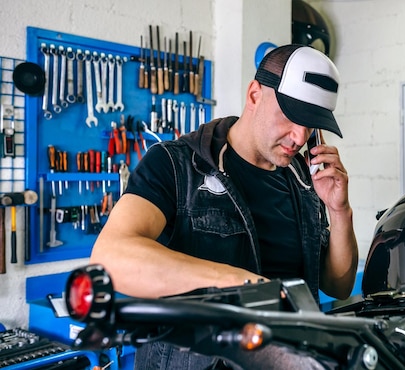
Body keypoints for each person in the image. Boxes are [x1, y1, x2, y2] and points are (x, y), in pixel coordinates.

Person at [89, 44, 359, 369]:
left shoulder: (304, 179)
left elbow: (339, 286)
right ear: (255, 95)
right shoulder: (176, 165)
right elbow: (110, 259)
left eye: (311, 125)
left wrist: (339, 210)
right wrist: (245, 286)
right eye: (290, 116)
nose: (299, 137)